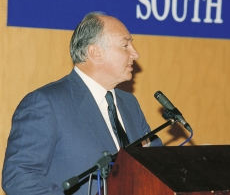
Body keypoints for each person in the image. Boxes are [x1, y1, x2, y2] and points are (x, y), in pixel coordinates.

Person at [2, 12, 163, 195]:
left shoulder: (129, 103)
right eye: (125, 45)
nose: (135, 54)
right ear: (95, 52)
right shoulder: (47, 103)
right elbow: (19, 179)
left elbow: (156, 164)